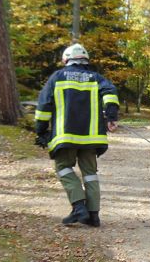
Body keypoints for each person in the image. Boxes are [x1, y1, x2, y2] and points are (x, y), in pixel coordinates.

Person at [34, 43, 119, 227]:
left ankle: (79, 206)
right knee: (90, 174)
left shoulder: (57, 77)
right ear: (86, 60)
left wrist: (41, 130)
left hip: (66, 136)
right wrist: (111, 116)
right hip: (92, 138)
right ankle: (93, 215)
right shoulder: (96, 78)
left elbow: (44, 105)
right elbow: (110, 93)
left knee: (63, 168)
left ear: (66, 60)